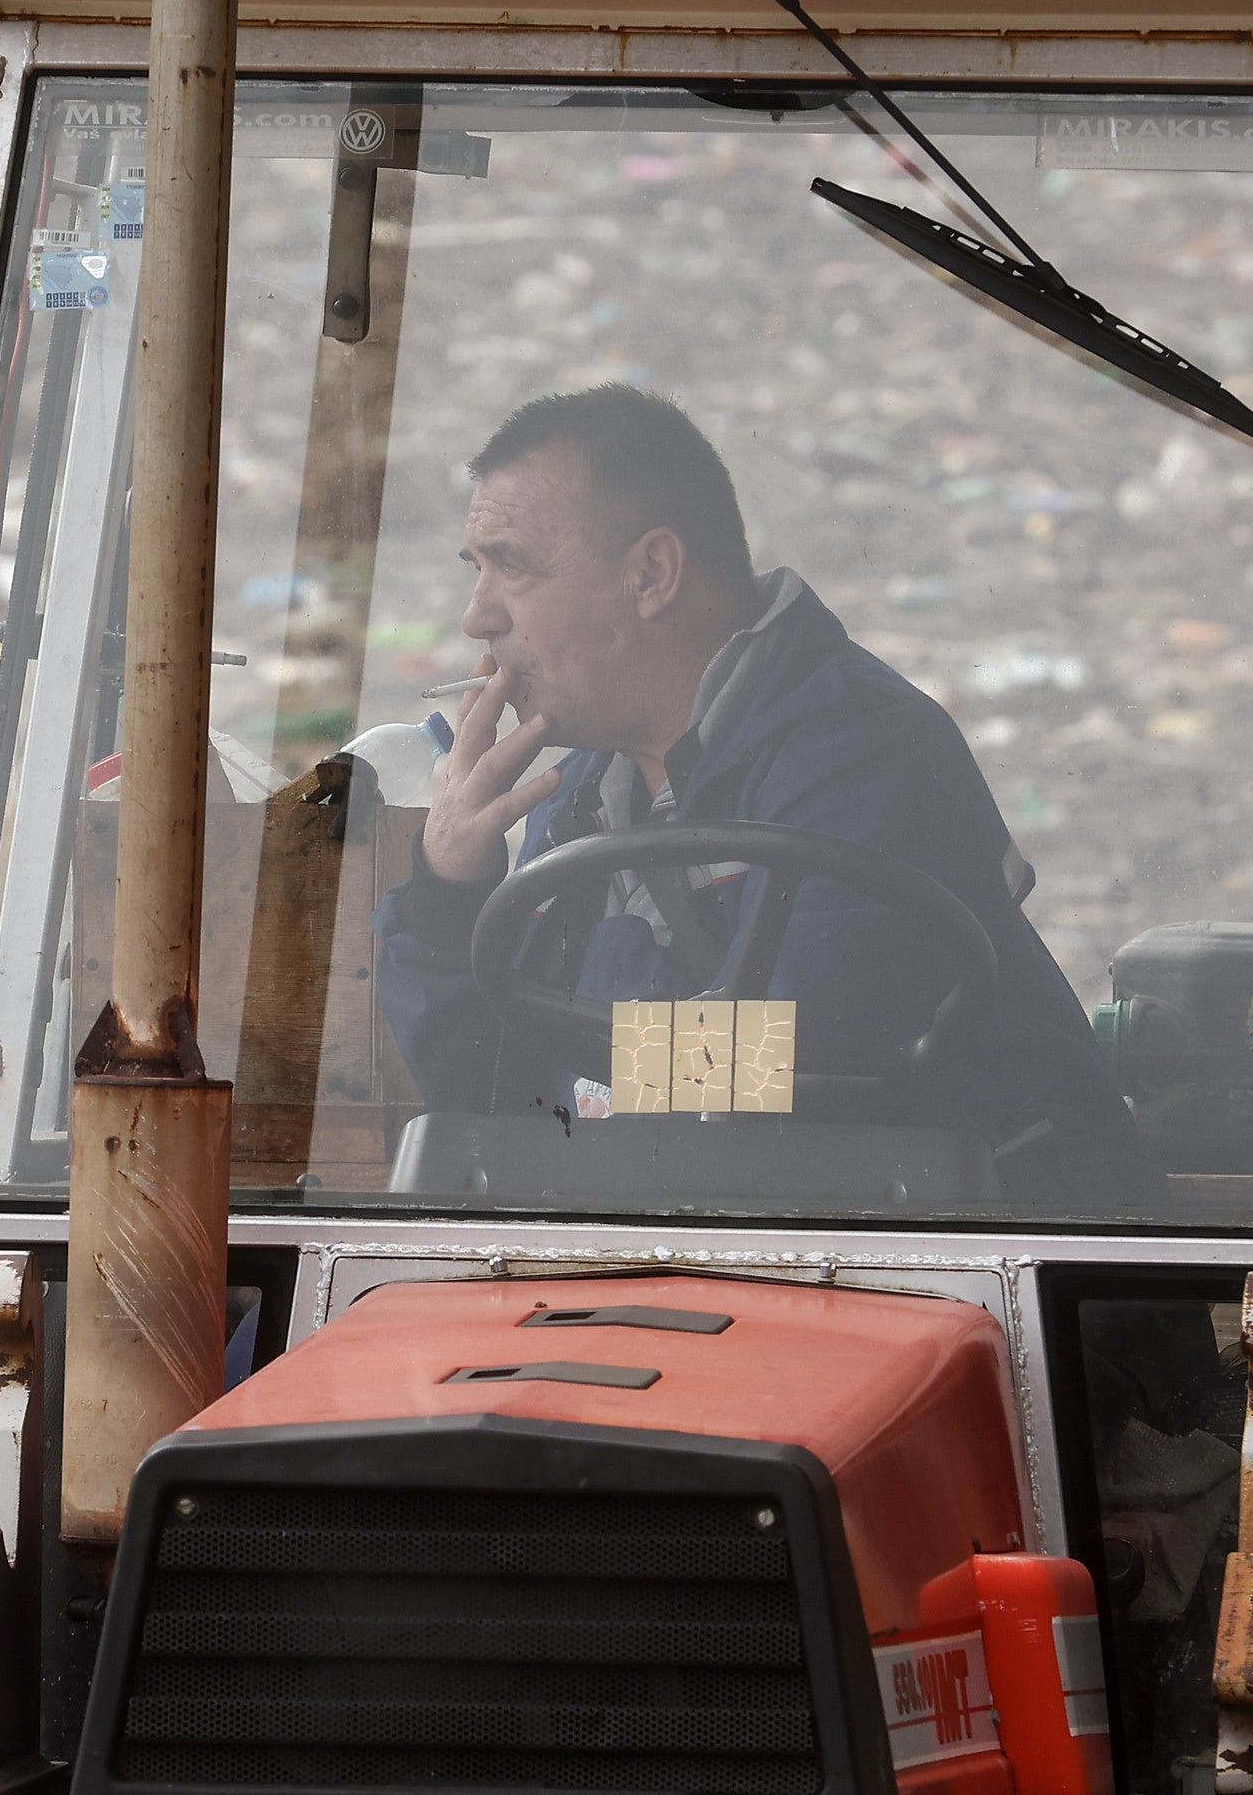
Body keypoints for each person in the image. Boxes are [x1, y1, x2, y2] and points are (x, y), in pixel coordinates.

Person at [374, 384, 1151, 1202]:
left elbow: (788, 1068)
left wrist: (579, 1029)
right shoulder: (578, 795)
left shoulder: (865, 751)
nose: (475, 618)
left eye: (514, 567)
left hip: (985, 1263)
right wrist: (445, 898)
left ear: (651, 573)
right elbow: (500, 1107)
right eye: (477, 570)